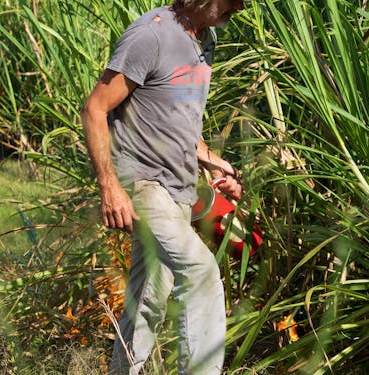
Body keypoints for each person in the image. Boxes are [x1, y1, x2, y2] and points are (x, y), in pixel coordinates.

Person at [80, 0, 244, 373]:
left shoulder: (204, 40)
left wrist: (212, 161)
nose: (241, 5)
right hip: (142, 183)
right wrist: (110, 187)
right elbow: (94, 109)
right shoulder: (150, 35)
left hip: (178, 188)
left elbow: (181, 117)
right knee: (201, 274)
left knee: (150, 298)